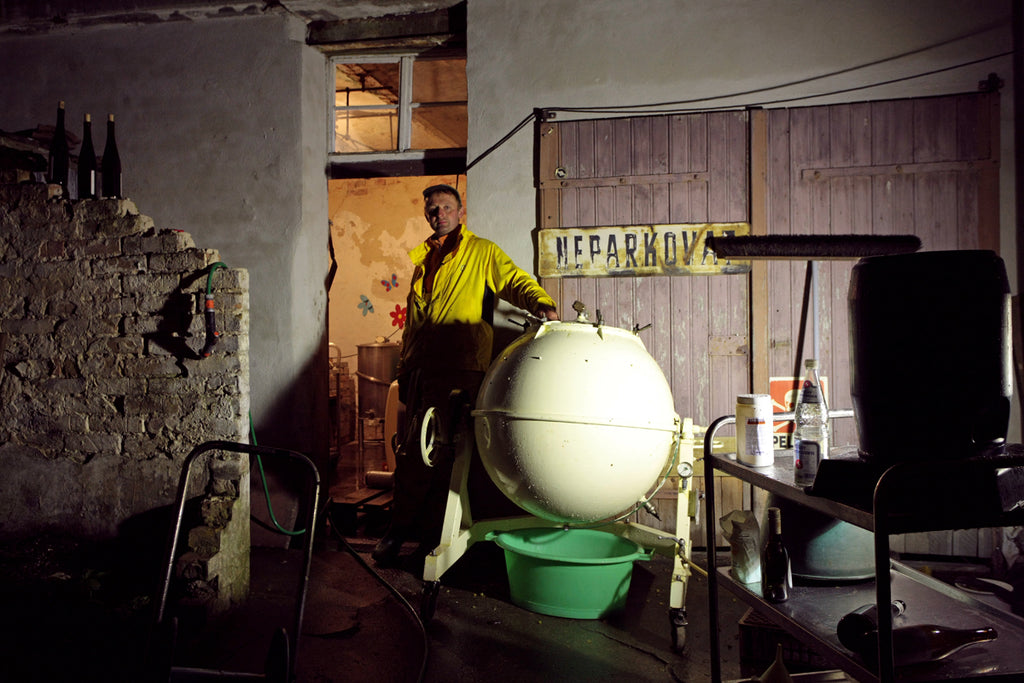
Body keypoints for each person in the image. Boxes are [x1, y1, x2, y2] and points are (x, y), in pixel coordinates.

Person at [372, 183, 559, 566]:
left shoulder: (482, 252)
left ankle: (436, 540)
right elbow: (416, 323)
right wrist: (405, 368)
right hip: (423, 370)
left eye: (445, 207)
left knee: (450, 458)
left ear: (460, 212)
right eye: (432, 209)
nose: (438, 214)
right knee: (412, 456)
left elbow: (515, 280)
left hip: (461, 369)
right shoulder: (425, 260)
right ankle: (400, 533)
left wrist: (543, 303)